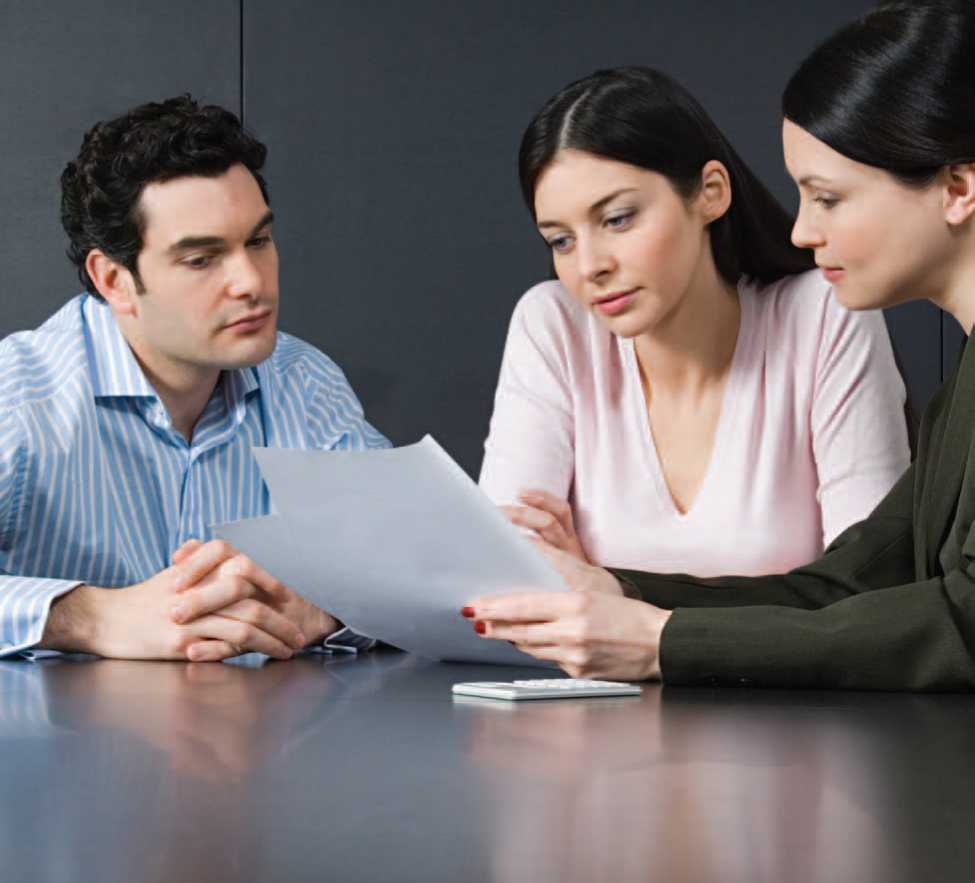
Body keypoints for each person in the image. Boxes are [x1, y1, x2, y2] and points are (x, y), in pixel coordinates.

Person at [464, 1, 975, 690]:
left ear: (957, 188)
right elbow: (849, 584)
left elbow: (957, 623)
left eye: (827, 198)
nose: (802, 232)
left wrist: (662, 640)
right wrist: (616, 592)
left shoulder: (830, 325)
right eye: (560, 239)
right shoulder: (962, 388)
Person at [479, 66, 910, 578]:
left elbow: (870, 588)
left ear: (710, 192)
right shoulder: (553, 325)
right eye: (561, 241)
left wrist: (611, 592)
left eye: (617, 219)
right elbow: (505, 571)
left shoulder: (823, 315)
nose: (590, 265)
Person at [0, 95, 388, 662]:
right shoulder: (18, 394)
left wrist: (325, 611)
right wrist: (88, 618)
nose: (250, 282)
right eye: (202, 259)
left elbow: (414, 569)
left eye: (258, 241)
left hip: (270, 741)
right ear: (113, 279)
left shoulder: (304, 381)